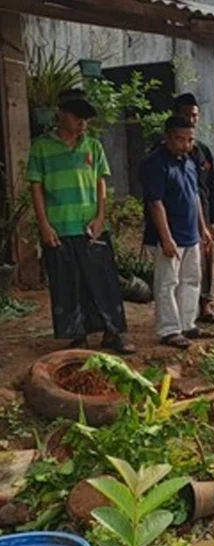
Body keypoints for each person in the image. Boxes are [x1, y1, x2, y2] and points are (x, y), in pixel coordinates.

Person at [27, 89, 135, 354]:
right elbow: (36, 188)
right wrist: (44, 225)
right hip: (59, 227)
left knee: (103, 281)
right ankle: (78, 336)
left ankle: (113, 333)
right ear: (61, 114)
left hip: (91, 228)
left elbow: (101, 184)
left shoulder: (93, 146)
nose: (82, 123)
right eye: (78, 116)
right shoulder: (41, 147)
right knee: (67, 284)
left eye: (86, 118)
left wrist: (101, 217)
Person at [141, 115, 214, 349]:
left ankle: (187, 324)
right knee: (167, 283)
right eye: (179, 139)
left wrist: (203, 227)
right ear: (167, 137)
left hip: (191, 234)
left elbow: (195, 197)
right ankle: (169, 330)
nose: (185, 144)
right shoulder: (155, 163)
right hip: (168, 236)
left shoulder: (190, 162)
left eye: (190, 140)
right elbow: (155, 203)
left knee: (192, 280)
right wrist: (166, 237)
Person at [170, 94, 214, 324]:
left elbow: (211, 186)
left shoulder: (202, 151)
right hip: (178, 214)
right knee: (178, 266)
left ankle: (205, 303)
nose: (192, 119)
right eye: (187, 114)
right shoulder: (164, 152)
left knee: (206, 257)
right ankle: (178, 312)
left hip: (203, 212)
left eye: (195, 115)